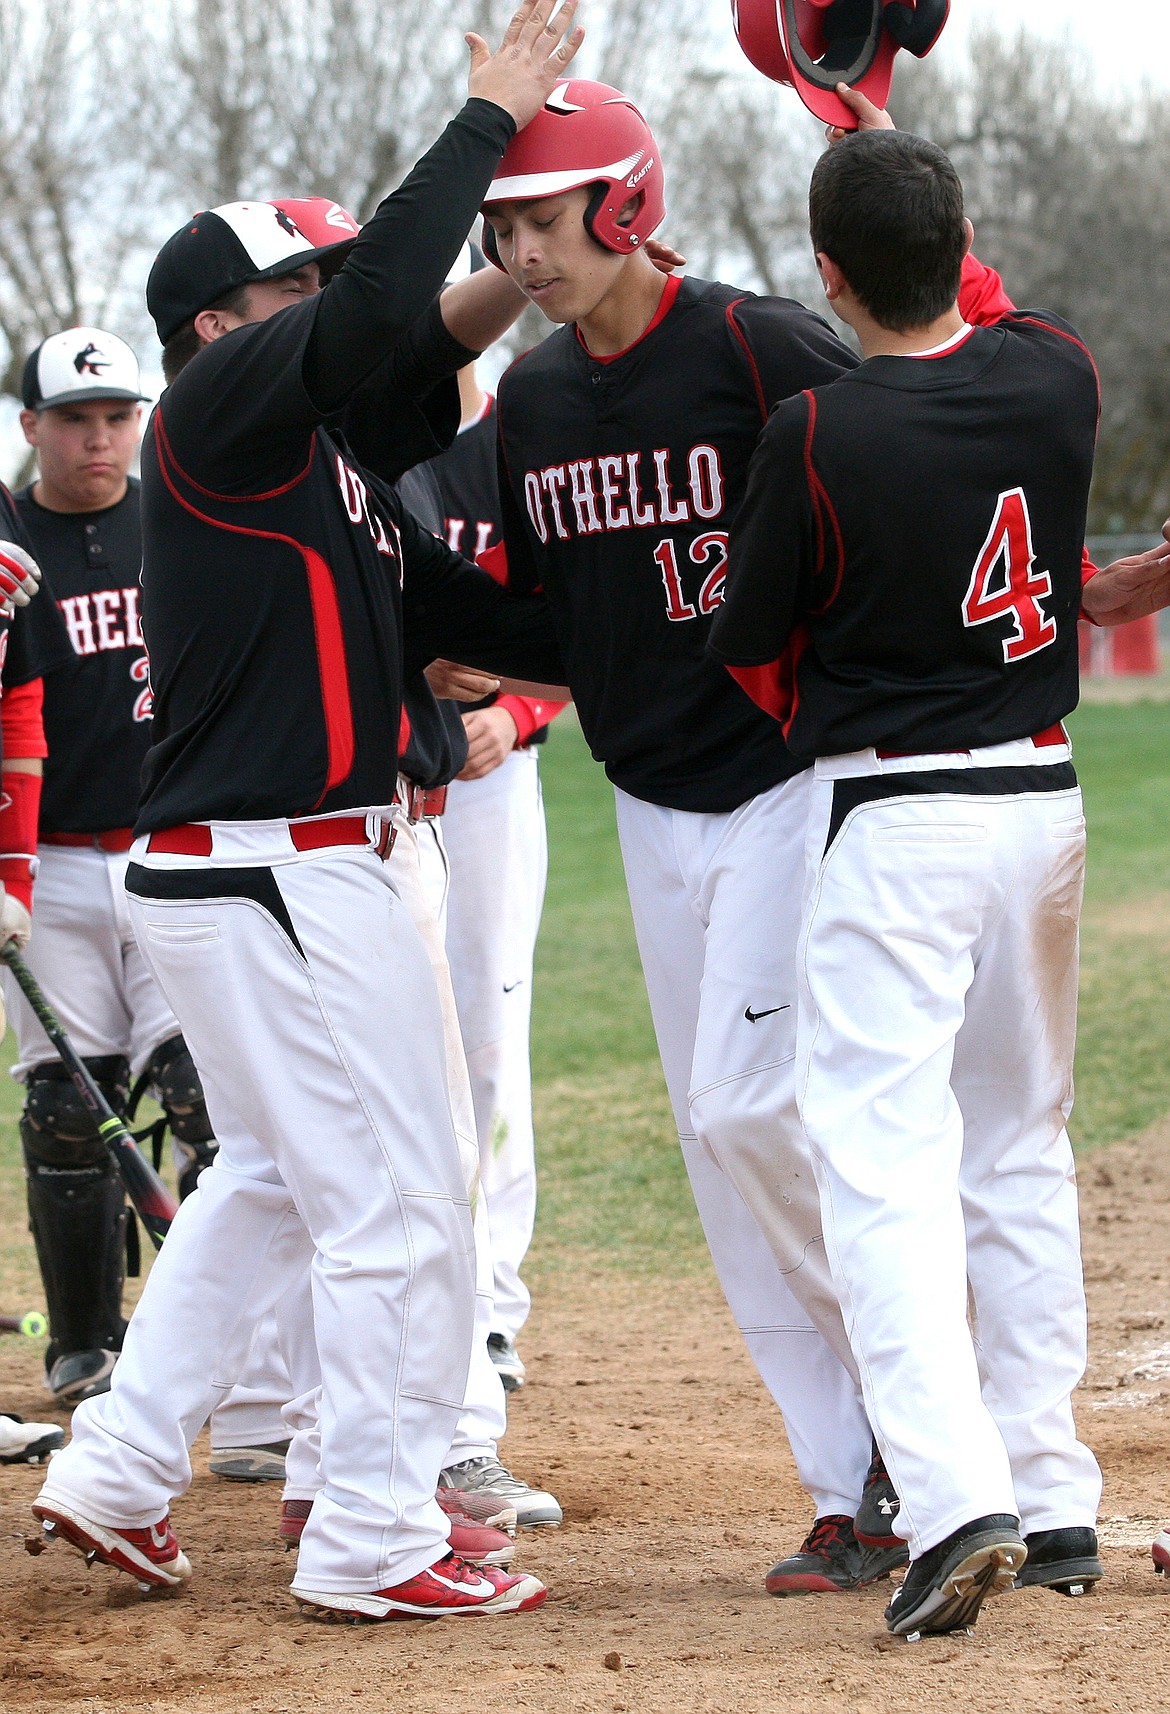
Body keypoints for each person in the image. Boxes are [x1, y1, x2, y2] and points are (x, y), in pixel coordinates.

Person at [31, 0, 580, 1626]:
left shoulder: (317, 461)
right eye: (304, 283)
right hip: (279, 865)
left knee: (271, 1176)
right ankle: (370, 1523)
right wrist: (486, 120)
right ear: (218, 324)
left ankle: (118, 1472)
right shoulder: (216, 415)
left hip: (243, 868)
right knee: (402, 1195)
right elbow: (381, 325)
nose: (339, 306)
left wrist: (533, 273)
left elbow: (477, 576)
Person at [709, 89, 1142, 1636]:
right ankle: (1058, 1491)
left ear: (824, 278)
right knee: (1013, 1145)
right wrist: (865, 99)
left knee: (878, 1164)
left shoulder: (814, 426)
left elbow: (747, 644)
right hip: (1040, 802)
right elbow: (983, 300)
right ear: (960, 247)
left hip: (895, 818)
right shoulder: (1057, 373)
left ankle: (956, 1496)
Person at [480, 76, 901, 1596]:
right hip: (644, 798)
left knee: (749, 1112)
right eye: (505, 224)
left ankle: (920, 1433)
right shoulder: (529, 400)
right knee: (720, 1156)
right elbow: (541, 606)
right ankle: (847, 1476)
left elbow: (887, 465)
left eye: (546, 216)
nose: (526, 251)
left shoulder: (750, 342)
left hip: (787, 780)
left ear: (625, 203)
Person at [7, 329, 224, 1411]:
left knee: (206, 1096)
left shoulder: (176, 516)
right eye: (76, 418)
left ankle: (216, 1339)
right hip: (43, 862)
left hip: (168, 846)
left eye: (118, 416)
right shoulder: (7, 543)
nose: (100, 438)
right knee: (63, 1110)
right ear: (31, 427)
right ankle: (85, 1345)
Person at [432, 325, 567, 1395]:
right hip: (378, 781)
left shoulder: (518, 449)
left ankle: (488, 1300)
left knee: (485, 1040)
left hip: (487, 788)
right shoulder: (371, 449)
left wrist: (515, 715)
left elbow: (586, 623)